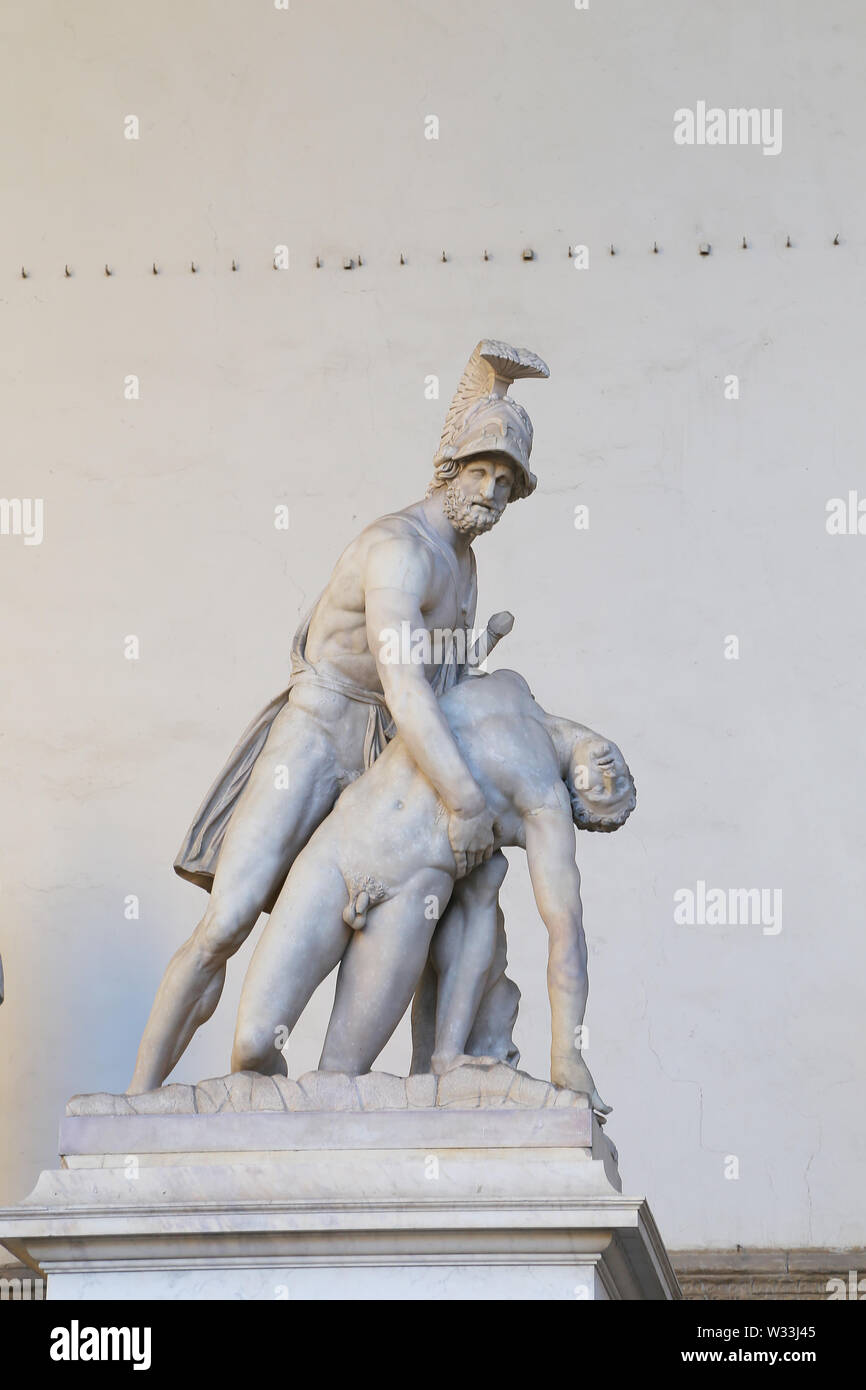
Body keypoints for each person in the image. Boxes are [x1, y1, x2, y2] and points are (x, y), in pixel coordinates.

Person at [127, 341, 548, 1092]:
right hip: (317, 736)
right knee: (229, 919)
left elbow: (436, 684)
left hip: (385, 754)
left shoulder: (466, 569)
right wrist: (467, 797)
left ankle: (437, 1071)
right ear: (450, 468)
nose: (490, 492)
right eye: (480, 471)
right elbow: (407, 687)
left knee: (452, 887)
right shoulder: (401, 551)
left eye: (506, 482)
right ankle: (136, 1098)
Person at [231, 668, 636, 1112]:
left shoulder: (545, 806)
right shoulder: (511, 683)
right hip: (338, 849)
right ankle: (257, 1147)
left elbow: (565, 931)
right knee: (252, 1045)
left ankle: (294, 1167)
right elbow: (417, 672)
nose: (611, 776)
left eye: (605, 795)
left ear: (578, 804)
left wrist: (567, 1052)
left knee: (337, 1084)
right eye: (624, 779)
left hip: (403, 906)